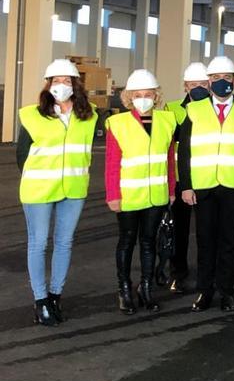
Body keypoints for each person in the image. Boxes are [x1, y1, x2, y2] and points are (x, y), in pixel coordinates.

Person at [177, 55, 234, 313]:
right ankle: (205, 291)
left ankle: (226, 291)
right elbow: (185, 152)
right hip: (203, 187)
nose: (221, 82)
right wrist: (186, 186)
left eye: (226, 78)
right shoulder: (194, 110)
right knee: (205, 240)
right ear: (208, 81)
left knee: (228, 241)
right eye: (216, 78)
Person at [17, 59, 99, 326]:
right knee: (39, 243)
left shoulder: (90, 115)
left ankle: (55, 296)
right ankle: (40, 300)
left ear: (75, 84)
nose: (61, 85)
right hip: (39, 189)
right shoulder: (31, 114)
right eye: (55, 81)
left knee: (64, 243)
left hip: (73, 188)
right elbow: (21, 155)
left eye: (66, 80)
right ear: (47, 85)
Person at [106, 69, 177, 315]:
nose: (144, 98)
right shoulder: (118, 123)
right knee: (126, 242)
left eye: (149, 94)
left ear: (156, 96)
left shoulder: (168, 121)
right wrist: (112, 195)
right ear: (129, 97)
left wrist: (171, 189)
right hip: (128, 196)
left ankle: (145, 288)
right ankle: (124, 289)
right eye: (138, 94)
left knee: (149, 243)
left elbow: (169, 159)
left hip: (156, 195)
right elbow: (112, 163)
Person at [164, 61, 211, 293]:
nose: (199, 88)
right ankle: (178, 273)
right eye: (194, 84)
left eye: (203, 83)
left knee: (207, 232)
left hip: (208, 177)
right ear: (185, 86)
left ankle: (207, 276)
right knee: (178, 230)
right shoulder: (172, 109)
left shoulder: (217, 109)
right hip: (180, 179)